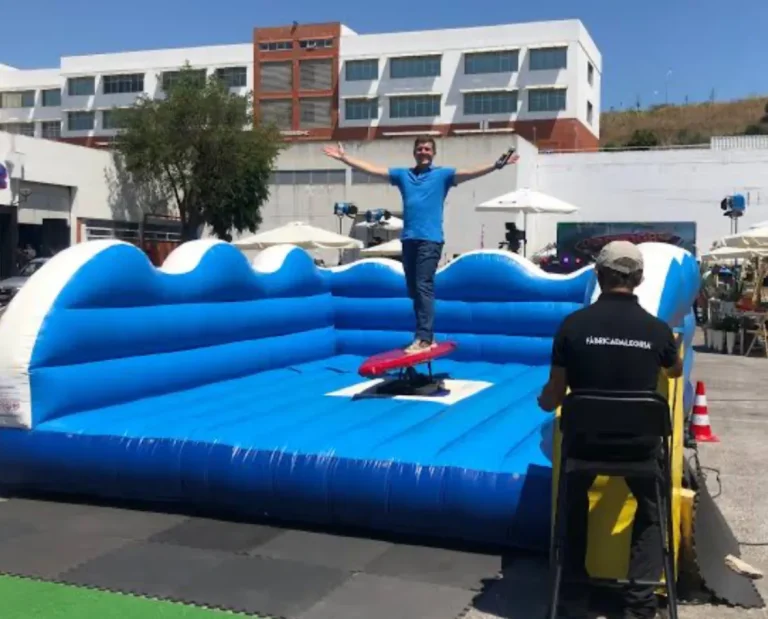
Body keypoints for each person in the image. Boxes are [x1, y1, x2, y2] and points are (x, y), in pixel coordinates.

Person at [537, 240, 684, 619]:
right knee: (651, 509)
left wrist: (544, 401)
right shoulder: (657, 330)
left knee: (572, 501)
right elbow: (675, 370)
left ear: (599, 276)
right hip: (639, 449)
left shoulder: (572, 326)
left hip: (585, 446)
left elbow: (554, 397)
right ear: (638, 278)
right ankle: (639, 603)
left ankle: (572, 597)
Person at [323, 137, 519, 353]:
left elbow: (469, 172)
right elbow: (373, 170)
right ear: (414, 153)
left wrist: (495, 165)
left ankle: (424, 337)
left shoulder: (442, 175)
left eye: (427, 149)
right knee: (413, 289)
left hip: (430, 239)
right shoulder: (403, 175)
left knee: (423, 285)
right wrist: (346, 159)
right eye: (419, 149)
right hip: (408, 239)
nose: (423, 152)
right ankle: (426, 335)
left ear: (433, 153)